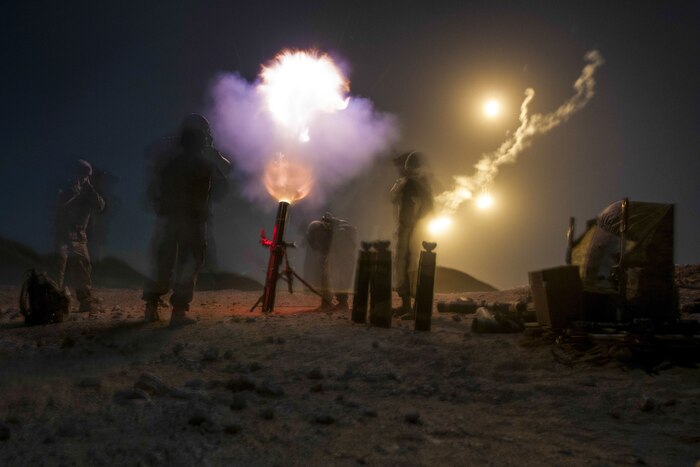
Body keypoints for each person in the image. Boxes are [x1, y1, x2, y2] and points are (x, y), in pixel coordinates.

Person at [142, 114, 230, 326]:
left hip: (170, 219)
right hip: (192, 220)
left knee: (164, 263)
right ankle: (178, 312)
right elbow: (222, 183)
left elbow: (154, 185)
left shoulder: (169, 160)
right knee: (188, 263)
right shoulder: (204, 162)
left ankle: (151, 307)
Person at [53, 159, 106, 313]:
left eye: (86, 175)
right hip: (63, 234)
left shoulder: (88, 191)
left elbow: (100, 206)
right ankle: (53, 301)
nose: (83, 178)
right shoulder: (64, 188)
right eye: (81, 174)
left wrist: (88, 188)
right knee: (58, 268)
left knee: (83, 266)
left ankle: (85, 300)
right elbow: (58, 203)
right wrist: (73, 191)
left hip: (79, 235)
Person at [390, 151, 433, 316]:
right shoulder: (406, 183)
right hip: (404, 229)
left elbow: (426, 207)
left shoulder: (415, 185)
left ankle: (415, 306)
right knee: (402, 265)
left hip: (413, 230)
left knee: (411, 266)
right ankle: (406, 304)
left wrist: (414, 223)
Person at [304, 213, 357, 311]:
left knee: (331, 277)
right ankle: (337, 303)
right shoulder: (331, 229)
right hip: (343, 256)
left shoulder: (339, 232)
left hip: (343, 256)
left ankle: (331, 303)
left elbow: (333, 248)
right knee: (337, 278)